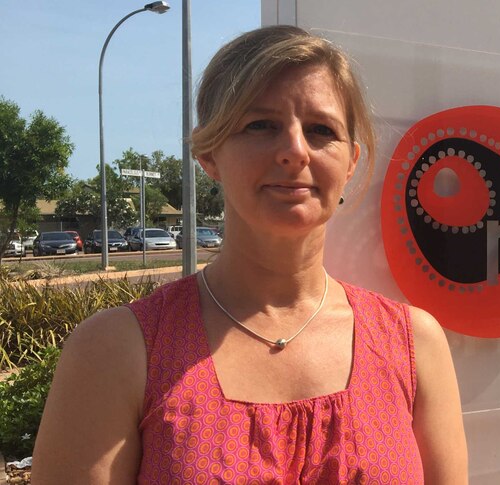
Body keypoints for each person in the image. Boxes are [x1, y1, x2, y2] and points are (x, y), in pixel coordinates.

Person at [32, 25, 468, 484]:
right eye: (260, 125)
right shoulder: (118, 352)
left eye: (321, 130)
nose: (295, 151)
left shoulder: (413, 346)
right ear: (209, 154)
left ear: (351, 161)